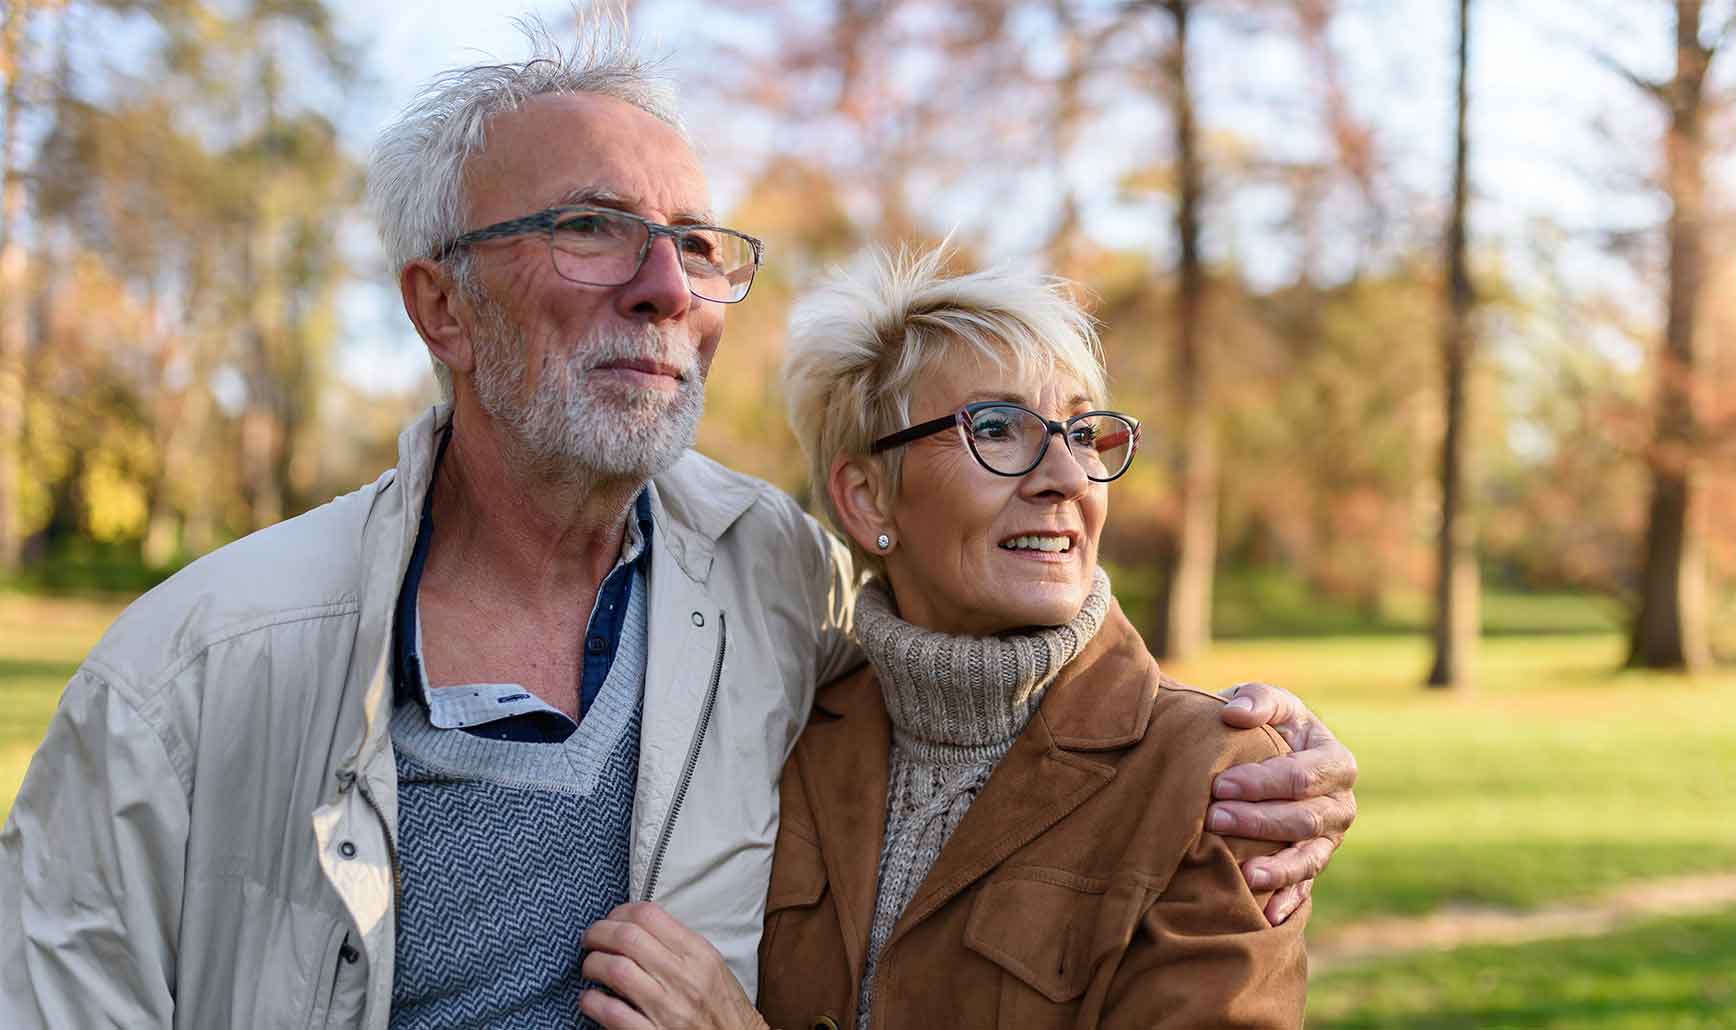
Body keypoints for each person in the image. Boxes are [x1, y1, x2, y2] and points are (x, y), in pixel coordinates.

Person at [0, 16, 1354, 1030]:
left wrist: (1270, 756)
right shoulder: (195, 668)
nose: (666, 286)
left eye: (698, 244)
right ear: (440, 305)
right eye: (592, 228)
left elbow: (994, 657)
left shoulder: (778, 590)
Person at [575, 252, 1309, 1029]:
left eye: (1083, 432)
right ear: (866, 500)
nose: (1065, 475)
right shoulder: (788, 737)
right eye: (996, 427)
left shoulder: (1215, 779)